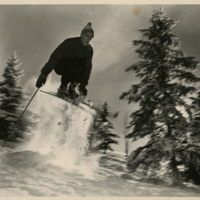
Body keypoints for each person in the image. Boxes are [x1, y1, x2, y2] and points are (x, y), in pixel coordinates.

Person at [36, 22, 94, 100]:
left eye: (91, 37)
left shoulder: (89, 50)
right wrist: (44, 74)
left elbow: (88, 69)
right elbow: (55, 57)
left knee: (84, 63)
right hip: (62, 65)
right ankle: (63, 87)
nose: (89, 39)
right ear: (82, 34)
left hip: (74, 69)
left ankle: (72, 87)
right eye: (87, 36)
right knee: (74, 60)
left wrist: (83, 85)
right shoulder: (70, 43)